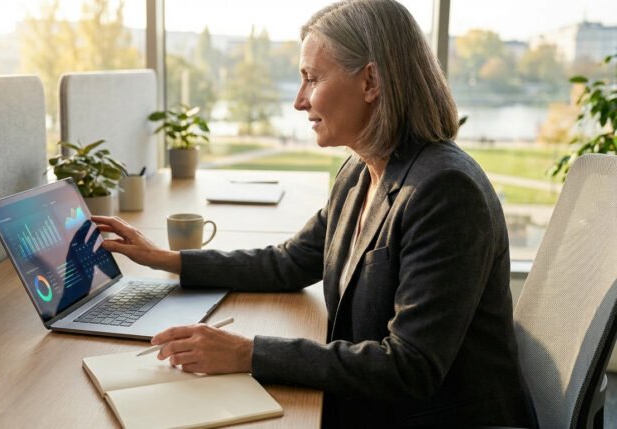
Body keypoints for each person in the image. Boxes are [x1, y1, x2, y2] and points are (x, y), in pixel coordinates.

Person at [94, 0, 534, 427]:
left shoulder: (444, 191)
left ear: (370, 82)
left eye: (311, 79)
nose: (299, 101)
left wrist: (247, 354)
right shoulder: (361, 171)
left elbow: (410, 366)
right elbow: (288, 262)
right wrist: (166, 259)